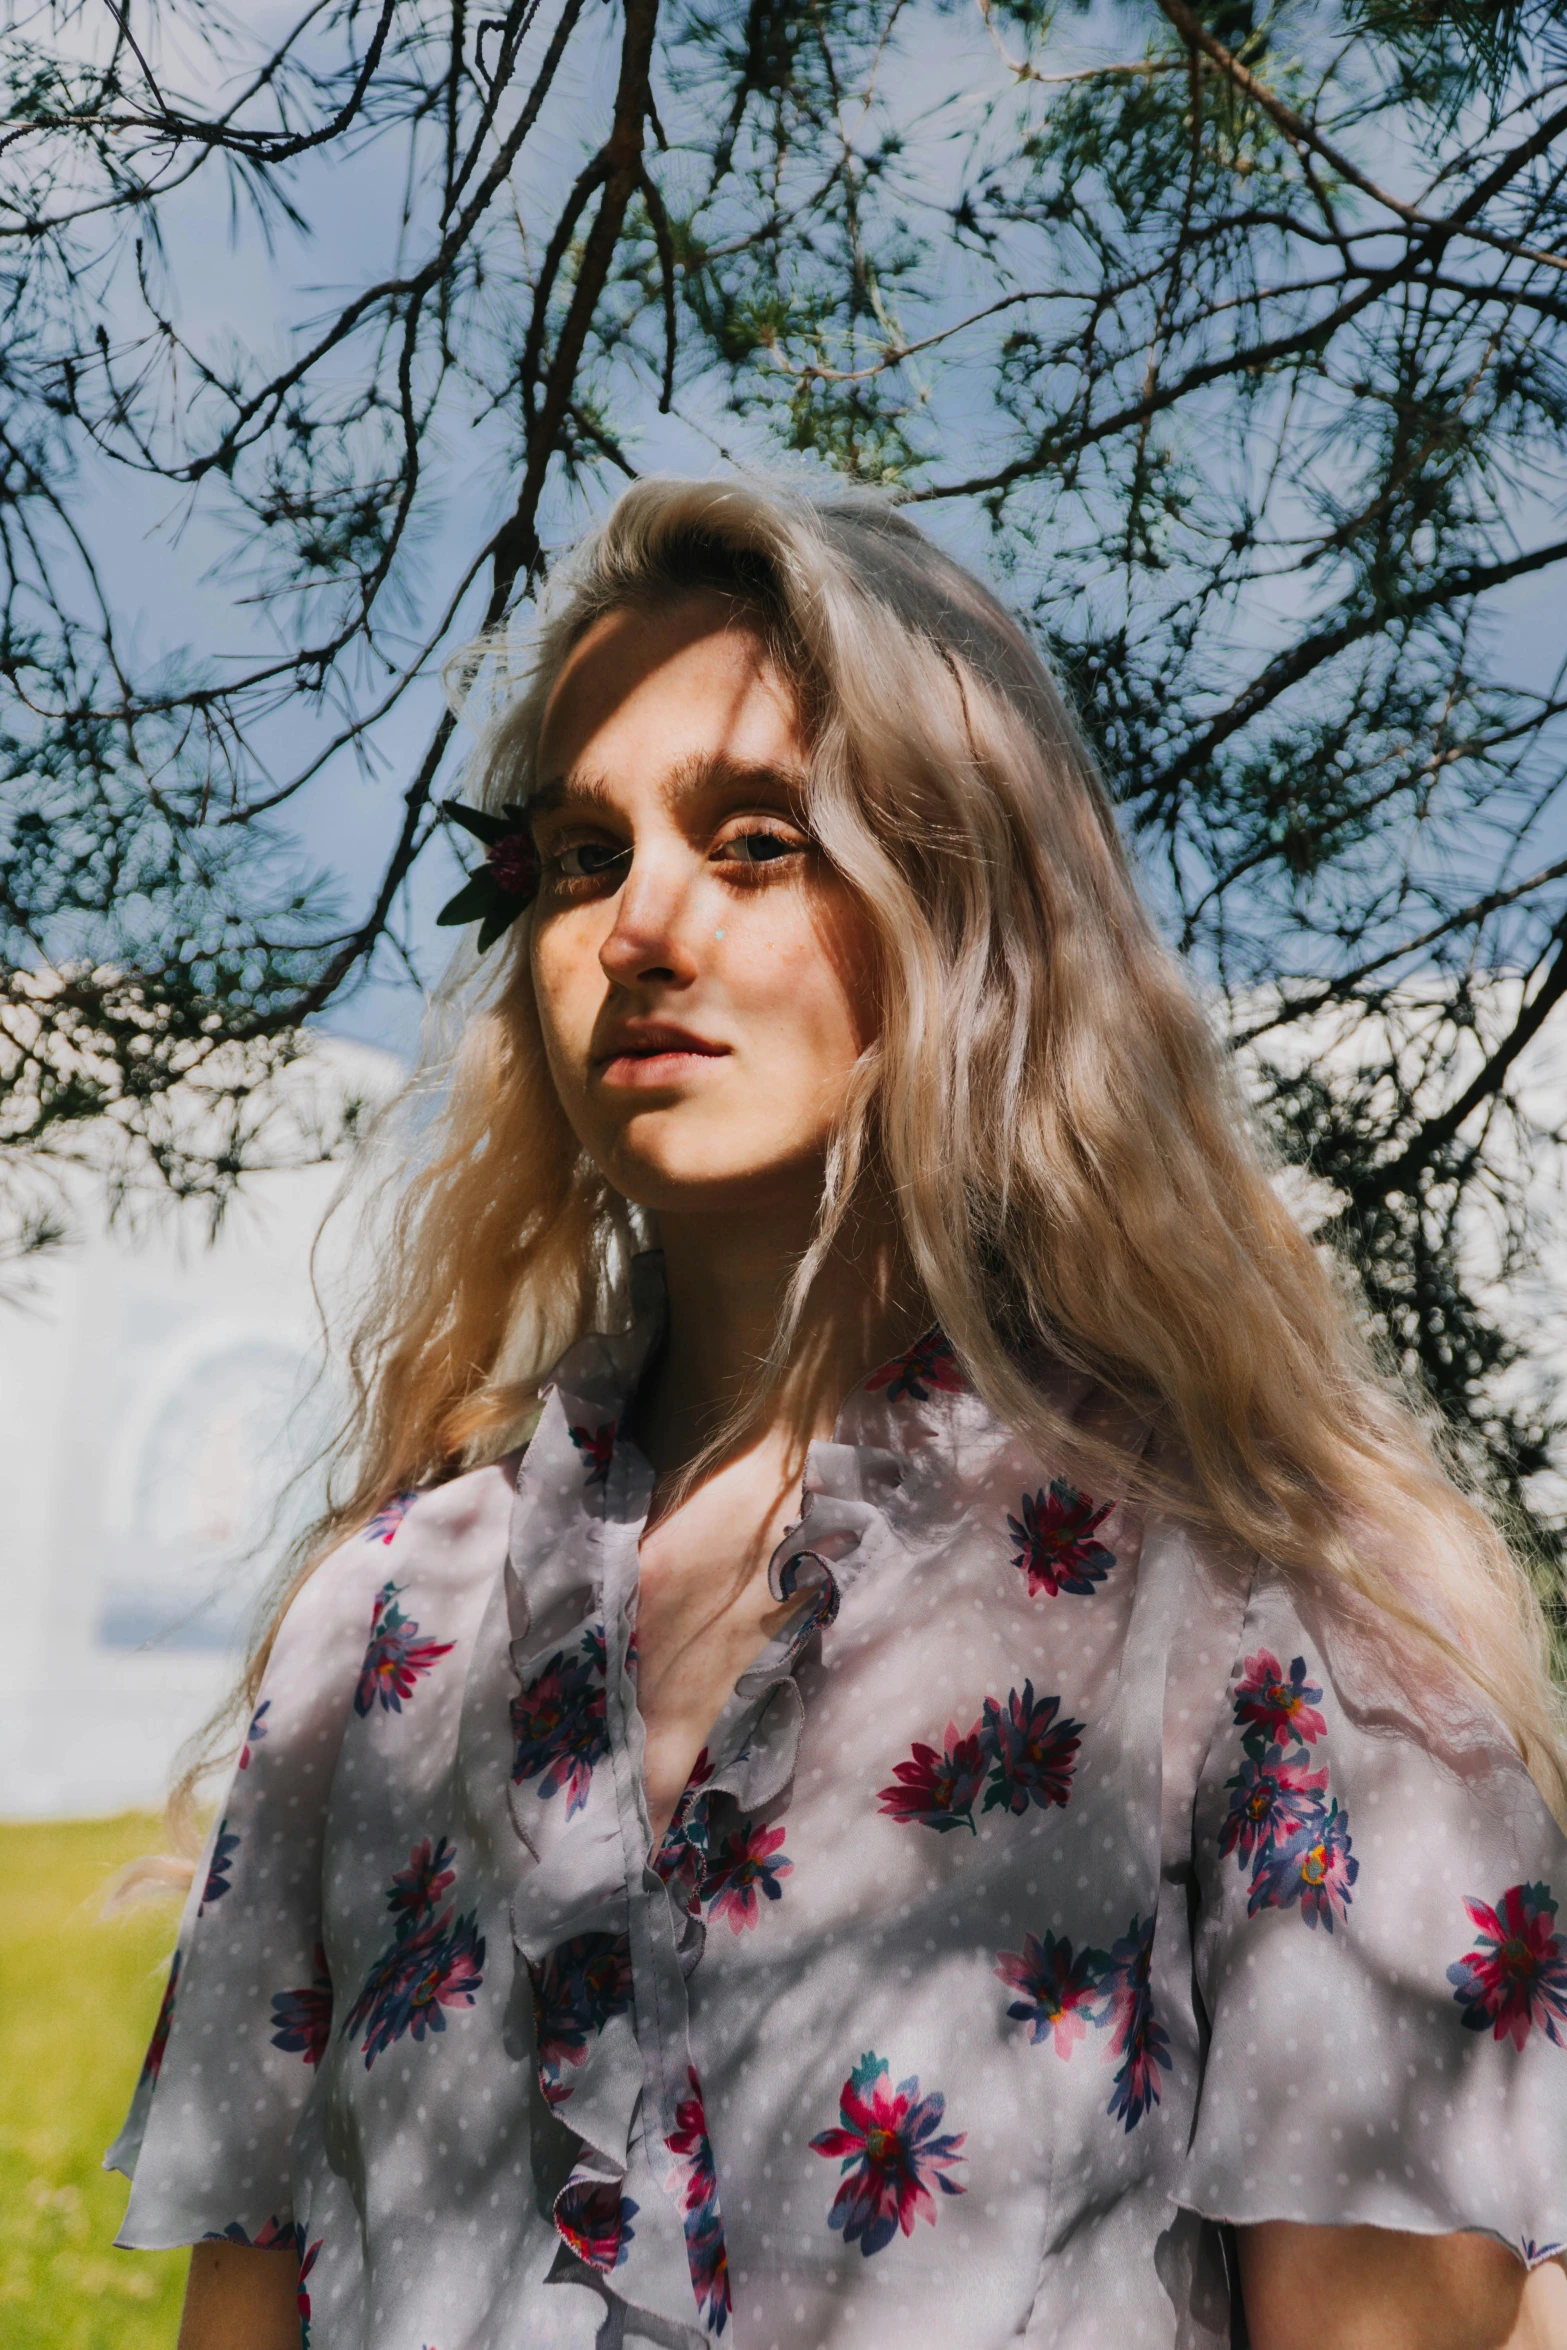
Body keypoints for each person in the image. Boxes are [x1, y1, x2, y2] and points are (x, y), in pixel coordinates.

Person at [107, 479, 1567, 2350]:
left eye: (756, 839)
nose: (638, 922)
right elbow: (254, 2307)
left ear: (963, 910)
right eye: (576, 852)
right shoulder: (381, 1626)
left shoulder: (1257, 1585)